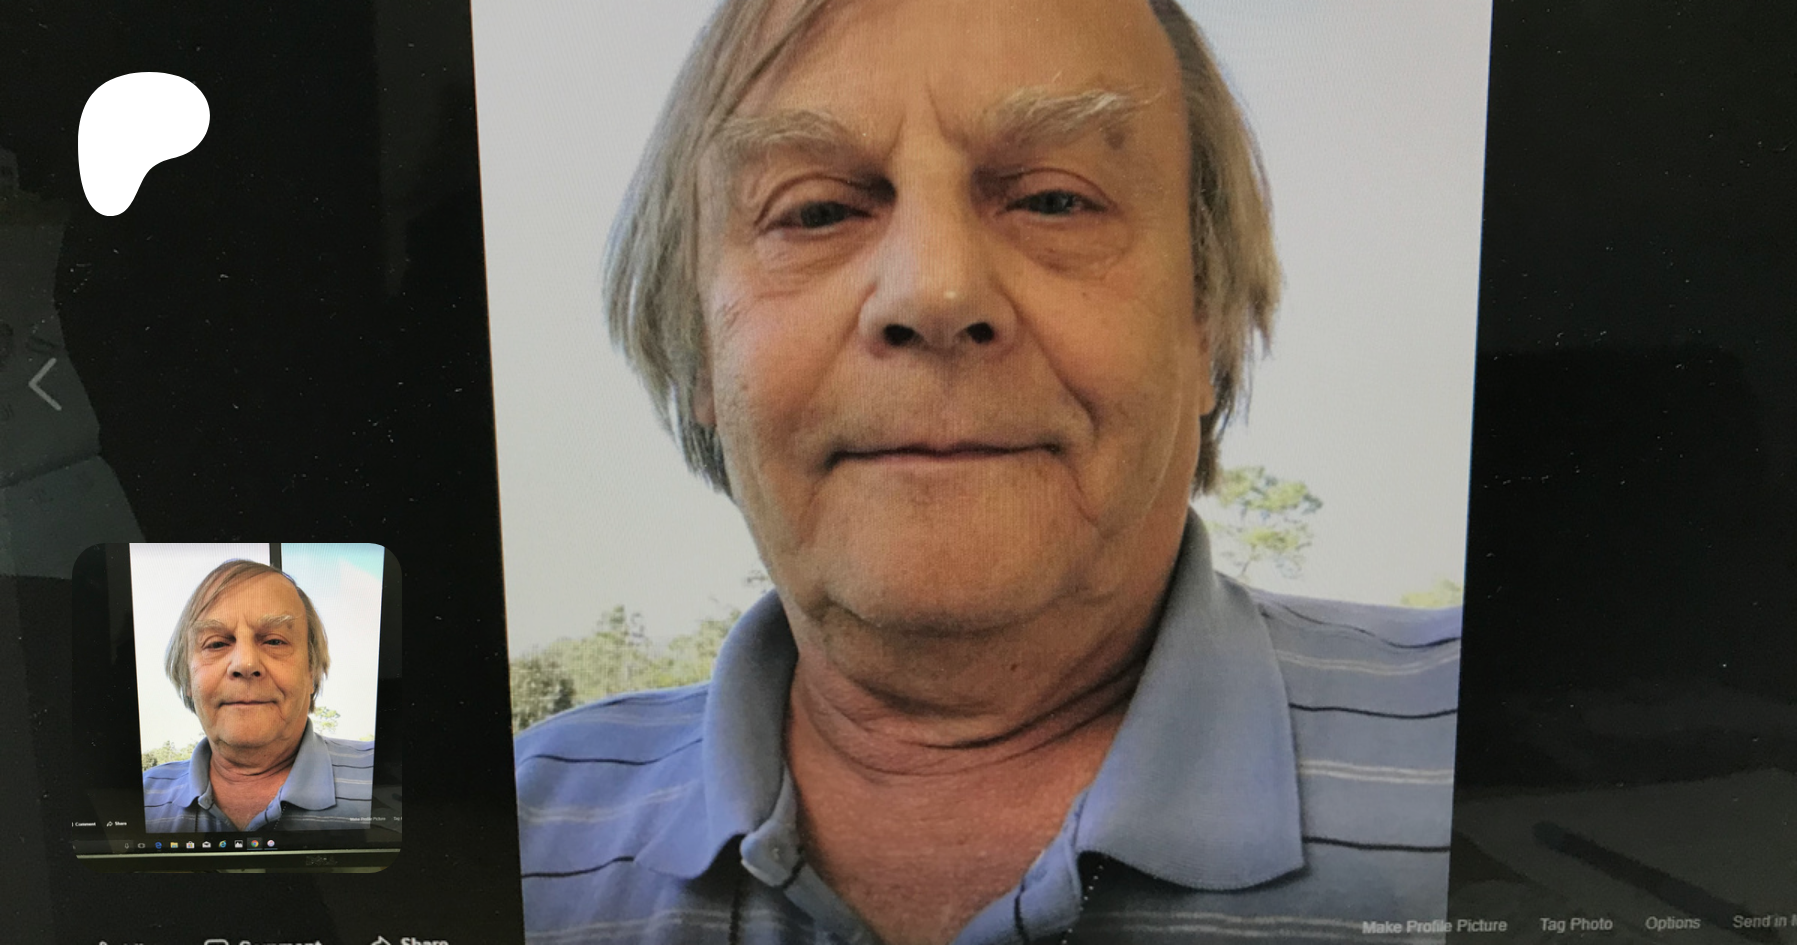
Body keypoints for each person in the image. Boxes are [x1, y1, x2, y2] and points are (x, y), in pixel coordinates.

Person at [515, 0, 1461, 942]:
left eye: (1055, 199)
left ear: (1205, 323)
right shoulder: (508, 829)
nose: (936, 291)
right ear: (700, 354)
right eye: (817, 210)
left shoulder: (1502, 734)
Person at [142, 559, 374, 833]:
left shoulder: (386, 774)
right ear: (188, 677)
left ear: (311, 670)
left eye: (275, 641)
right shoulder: (142, 798)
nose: (246, 663)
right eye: (216, 644)